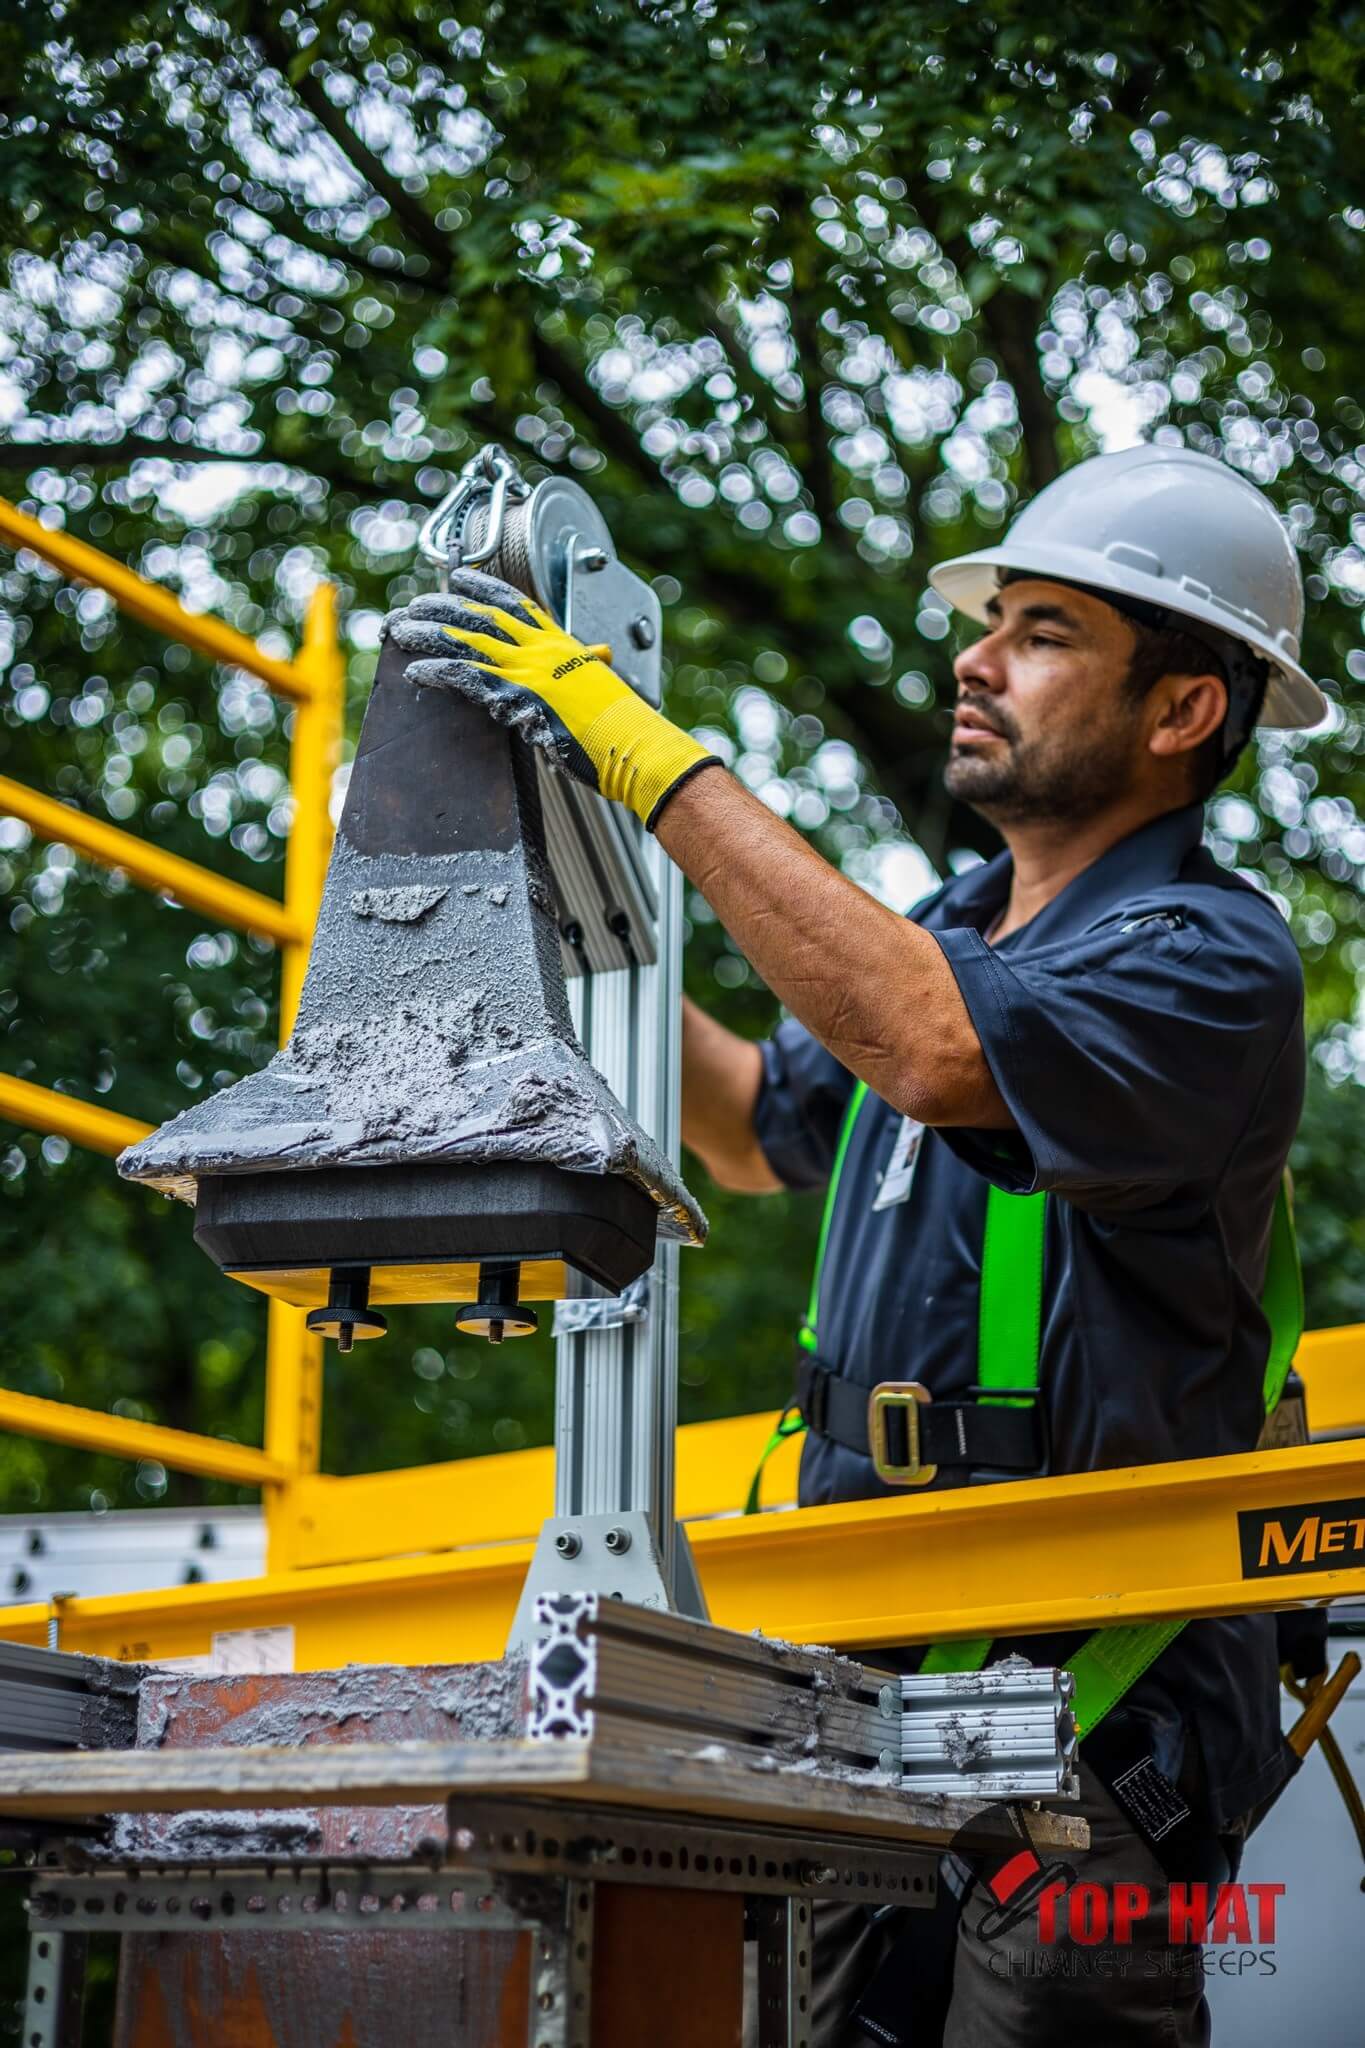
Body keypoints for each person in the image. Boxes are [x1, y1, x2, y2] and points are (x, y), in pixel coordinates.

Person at [415, 443, 1325, 2044]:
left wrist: (651, 759)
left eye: (1042, 632)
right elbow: (748, 1116)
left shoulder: (1205, 957)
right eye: (995, 624)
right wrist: (561, 883)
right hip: (862, 1666)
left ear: (1184, 710)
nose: (974, 658)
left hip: (1087, 1720)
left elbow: (936, 1053)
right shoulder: (955, 927)